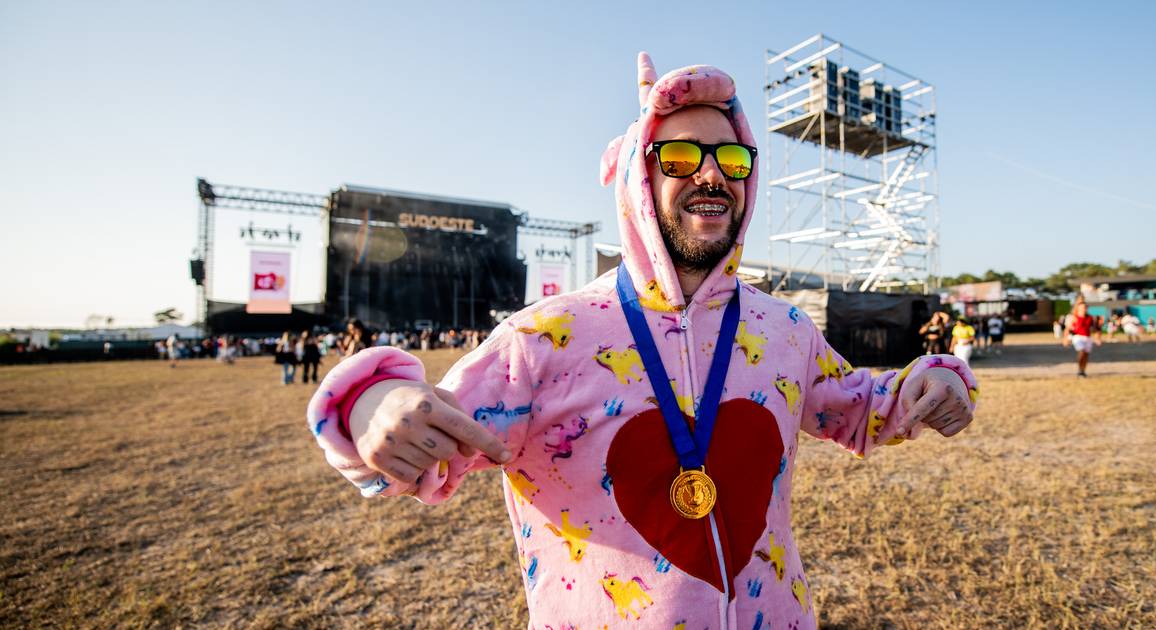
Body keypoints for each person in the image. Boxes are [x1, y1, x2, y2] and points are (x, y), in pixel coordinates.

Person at [304, 54, 978, 628]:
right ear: (637, 180)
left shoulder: (785, 329)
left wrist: (933, 379)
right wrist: (372, 407)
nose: (711, 175)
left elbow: (861, 405)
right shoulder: (540, 339)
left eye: (732, 159)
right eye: (680, 156)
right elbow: (419, 443)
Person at [1063, 300, 1102, 377]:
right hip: (1077, 337)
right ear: (1078, 308)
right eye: (1082, 307)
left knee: (1086, 355)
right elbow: (1068, 329)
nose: (1084, 309)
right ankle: (1080, 369)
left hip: (1087, 337)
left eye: (1085, 307)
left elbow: (1095, 329)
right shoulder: (1074, 317)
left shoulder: (1090, 318)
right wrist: (1065, 339)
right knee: (1081, 352)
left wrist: (1097, 338)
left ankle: (1082, 370)